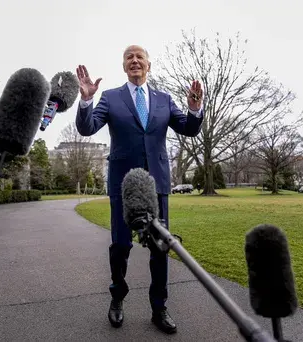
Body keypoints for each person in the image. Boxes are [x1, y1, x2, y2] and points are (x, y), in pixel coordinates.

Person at [75, 45, 203, 334]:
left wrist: (194, 109)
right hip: (123, 184)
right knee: (121, 246)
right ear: (124, 67)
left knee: (160, 247)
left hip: (156, 183)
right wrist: (86, 102)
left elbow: (189, 128)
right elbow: (87, 128)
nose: (134, 61)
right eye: (129, 58)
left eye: (139, 57)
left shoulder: (163, 100)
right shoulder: (110, 98)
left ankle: (159, 308)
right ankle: (117, 298)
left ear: (148, 65)